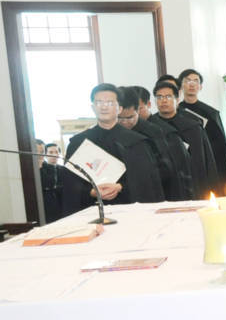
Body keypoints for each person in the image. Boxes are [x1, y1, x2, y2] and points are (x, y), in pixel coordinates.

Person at [62, 84, 164, 215]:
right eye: (99, 102)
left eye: (110, 103)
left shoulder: (137, 142)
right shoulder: (78, 143)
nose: (104, 107)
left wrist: (120, 187)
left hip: (130, 211)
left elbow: (147, 180)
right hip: (92, 212)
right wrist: (91, 191)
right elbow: (70, 182)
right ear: (93, 107)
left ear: (119, 108)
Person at [117, 86, 194, 202]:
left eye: (129, 117)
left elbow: (167, 169)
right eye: (119, 118)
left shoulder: (155, 132)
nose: (124, 123)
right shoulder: (113, 131)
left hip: (152, 194)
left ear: (137, 110)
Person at [152, 80, 216, 199]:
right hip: (164, 186)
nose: (163, 101)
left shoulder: (192, 126)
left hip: (192, 183)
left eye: (168, 97)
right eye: (159, 97)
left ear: (177, 99)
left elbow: (205, 160)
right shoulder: (150, 126)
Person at [177, 68, 226, 195]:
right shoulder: (176, 113)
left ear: (200, 87)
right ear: (181, 86)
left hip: (209, 161)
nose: (192, 84)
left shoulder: (211, 113)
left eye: (195, 81)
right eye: (187, 81)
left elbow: (220, 146)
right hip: (186, 164)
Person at [39, 142, 65, 222]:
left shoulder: (63, 169)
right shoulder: (41, 168)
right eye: (50, 152)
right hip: (48, 204)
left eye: (56, 152)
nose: (54, 155)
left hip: (62, 203)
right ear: (45, 154)